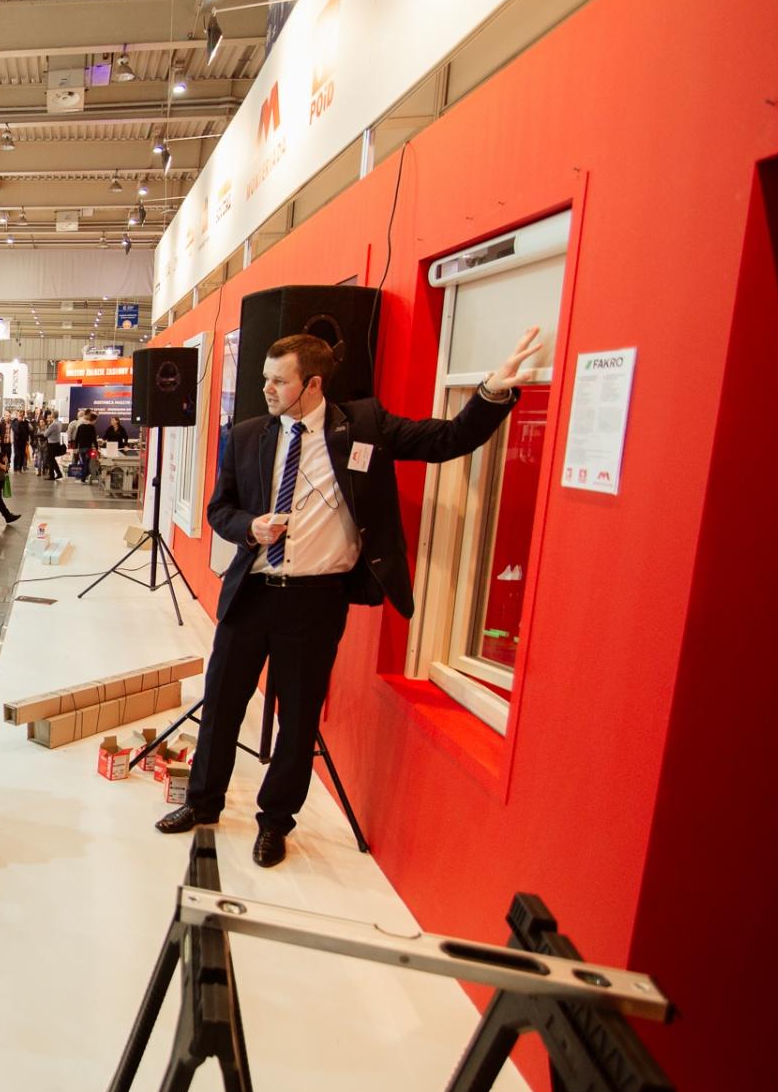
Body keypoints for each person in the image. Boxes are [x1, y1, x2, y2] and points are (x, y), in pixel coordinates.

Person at [157, 328, 543, 868]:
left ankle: (275, 822)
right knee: (221, 705)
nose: (266, 389)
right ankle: (203, 802)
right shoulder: (246, 436)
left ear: (313, 384)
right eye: (265, 378)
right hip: (252, 594)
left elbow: (446, 440)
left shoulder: (364, 427)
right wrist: (250, 527)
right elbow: (219, 510)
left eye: (279, 381)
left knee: (298, 721)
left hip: (315, 602)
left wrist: (492, 391)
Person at [44, 413, 67, 480]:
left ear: (52, 416)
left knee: (51, 460)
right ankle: (57, 473)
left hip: (52, 444)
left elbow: (45, 434)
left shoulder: (53, 424)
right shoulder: (59, 423)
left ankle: (53, 475)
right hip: (57, 443)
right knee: (52, 459)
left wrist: (46, 429)